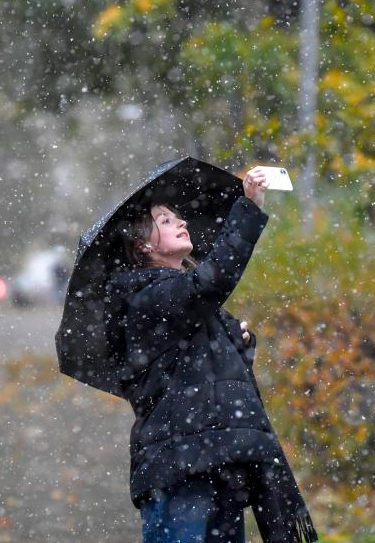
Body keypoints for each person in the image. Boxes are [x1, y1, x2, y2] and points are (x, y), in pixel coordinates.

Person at [105, 167, 317, 543]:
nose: (180, 222)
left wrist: (239, 342)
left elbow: (208, 373)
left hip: (217, 461)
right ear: (143, 246)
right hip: (180, 468)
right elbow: (212, 280)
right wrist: (248, 208)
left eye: (177, 216)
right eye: (165, 220)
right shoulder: (144, 295)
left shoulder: (186, 299)